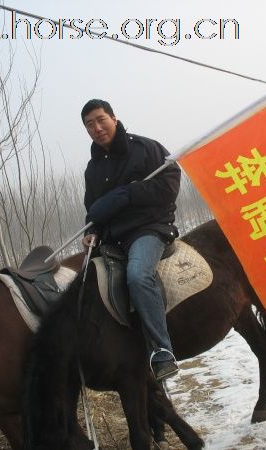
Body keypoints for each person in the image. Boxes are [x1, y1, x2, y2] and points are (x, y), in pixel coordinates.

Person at [80, 99, 181, 381]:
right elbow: (95, 210)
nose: (97, 128)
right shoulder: (93, 169)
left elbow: (171, 182)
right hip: (113, 238)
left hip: (149, 229)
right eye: (90, 124)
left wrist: (130, 194)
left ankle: (162, 351)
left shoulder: (146, 148)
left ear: (114, 117)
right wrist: (92, 232)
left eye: (101, 120)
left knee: (137, 275)